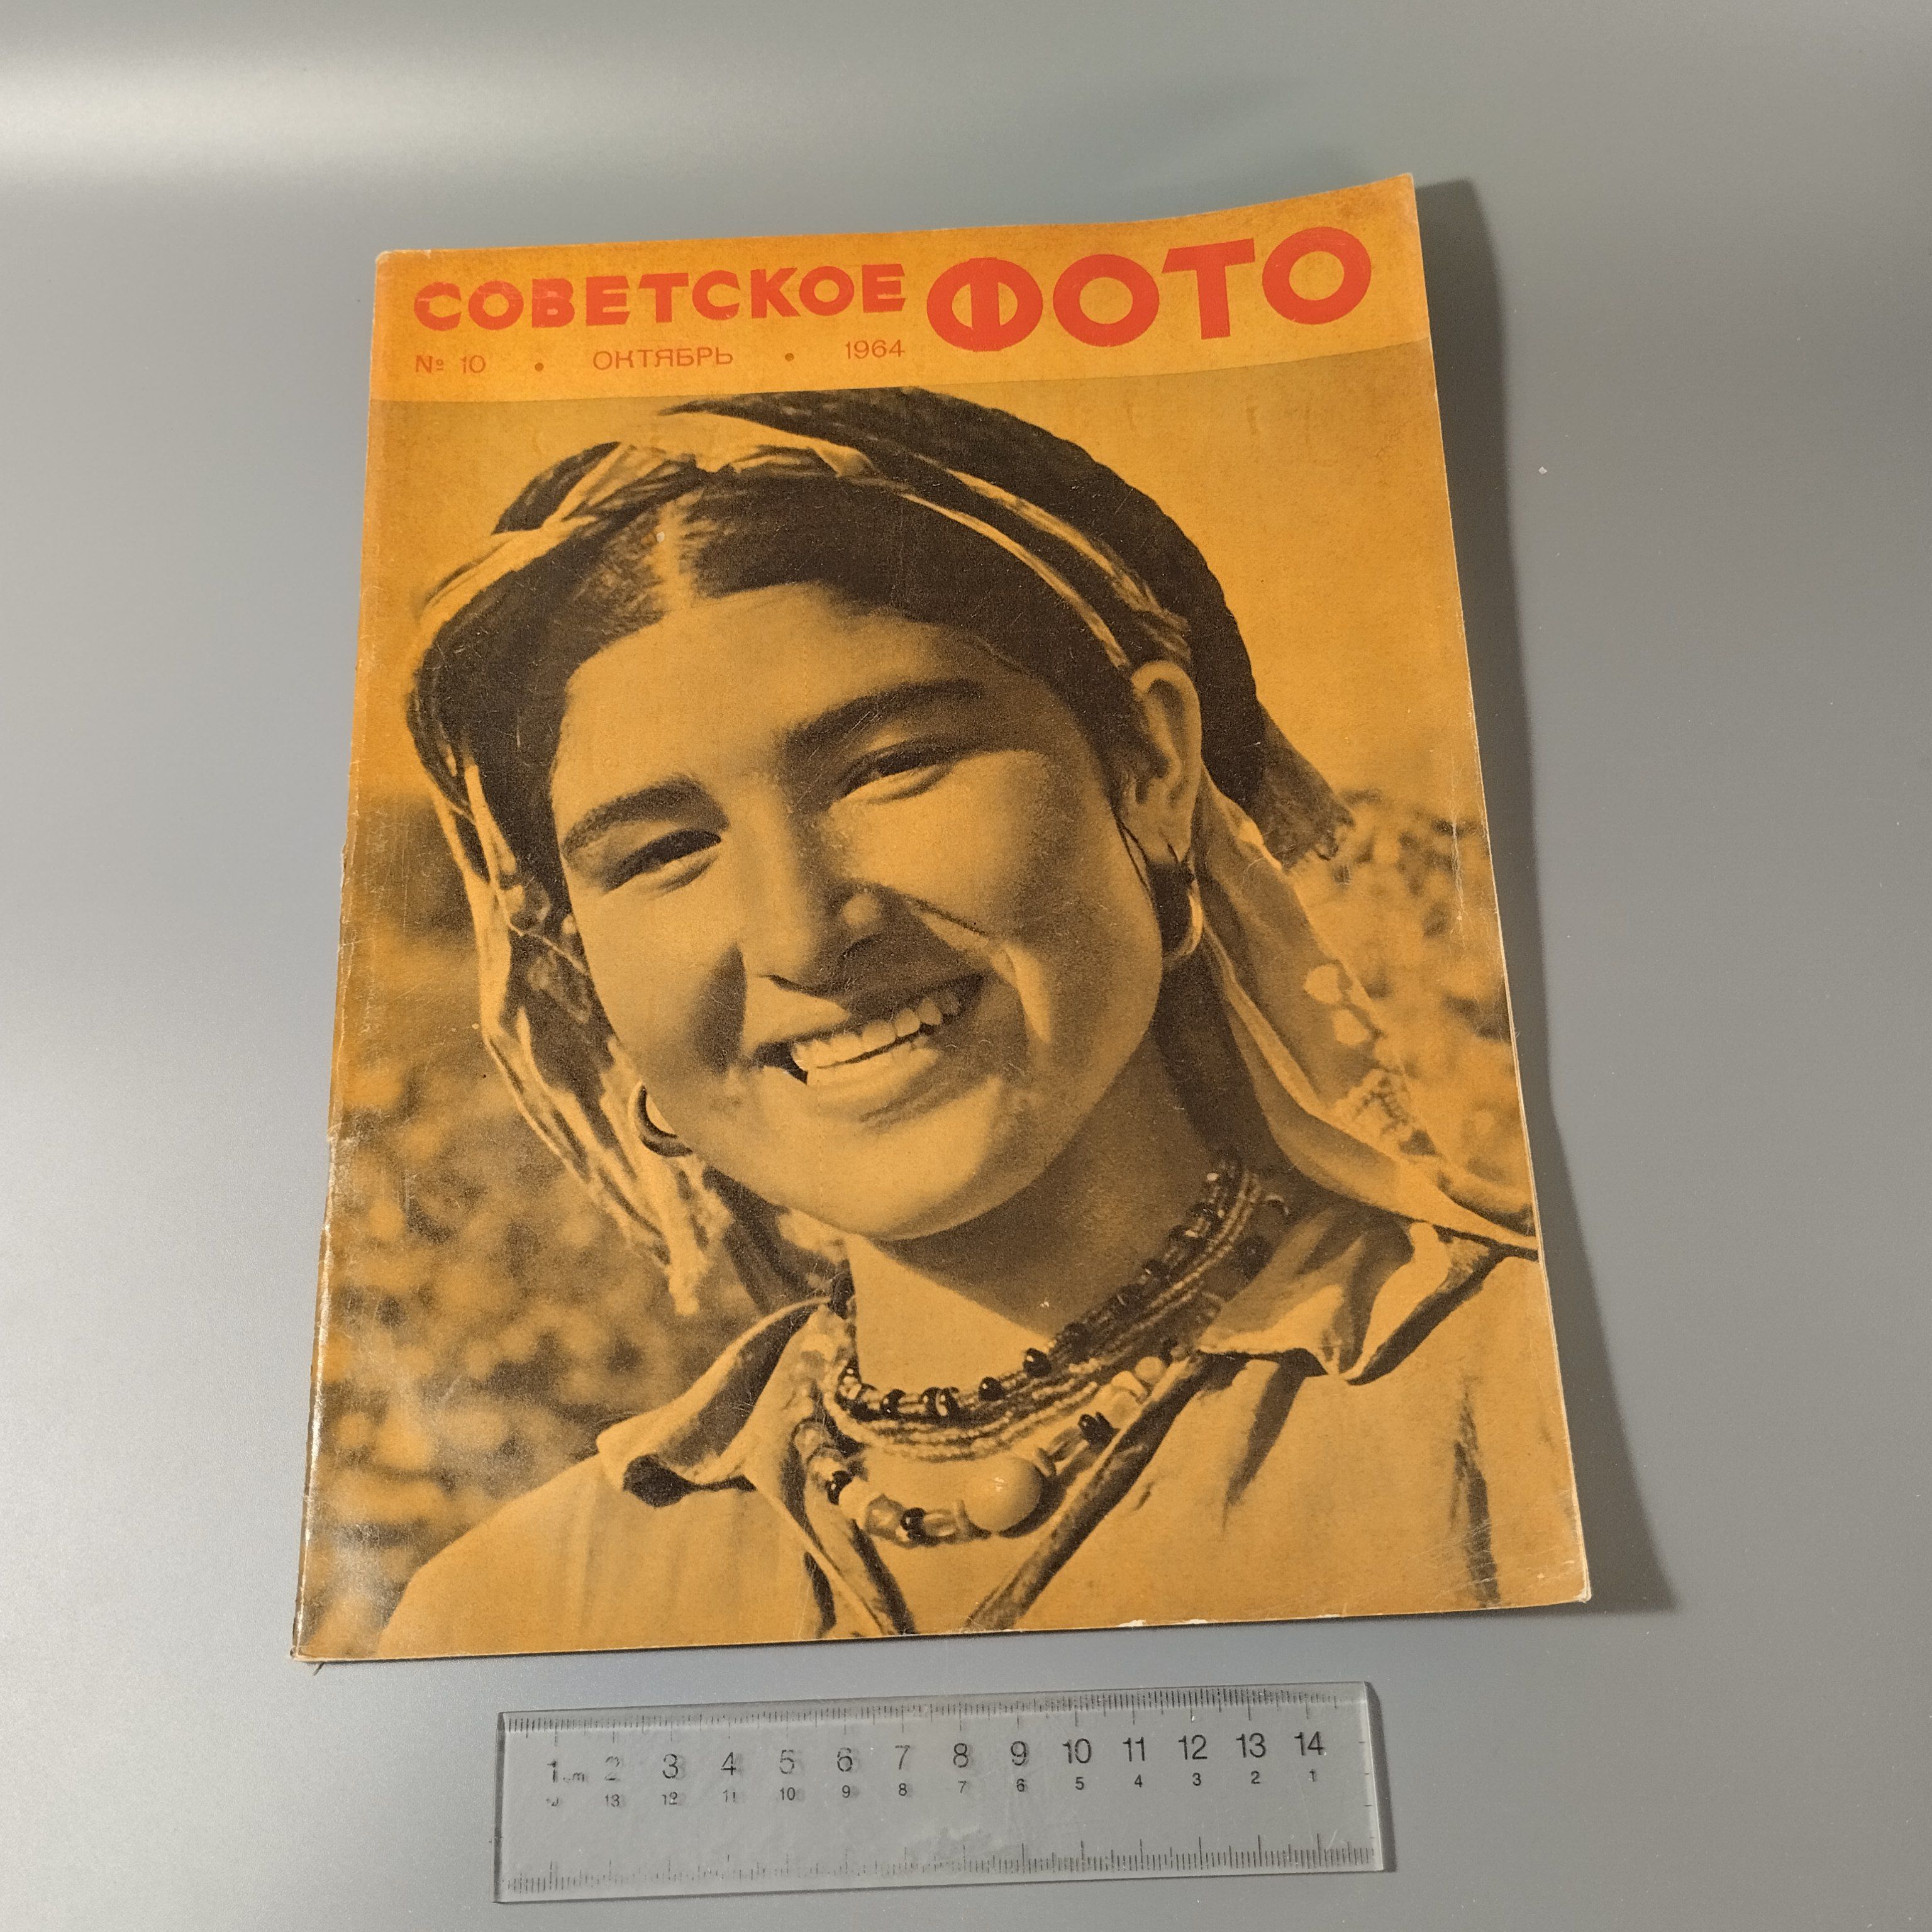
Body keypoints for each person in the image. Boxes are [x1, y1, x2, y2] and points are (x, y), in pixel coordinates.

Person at [375, 387, 1585, 1657]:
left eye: (891, 766)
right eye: (664, 851)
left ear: (1152, 766)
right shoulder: (508, 1611)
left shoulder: (1533, 1417)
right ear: (574, 963)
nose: (801, 937)